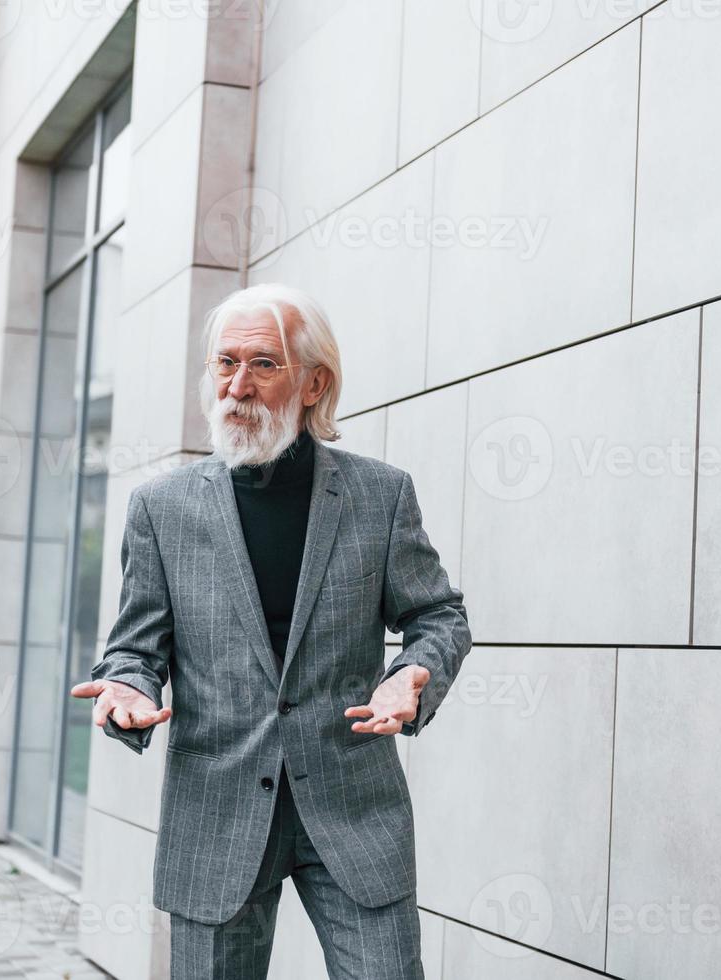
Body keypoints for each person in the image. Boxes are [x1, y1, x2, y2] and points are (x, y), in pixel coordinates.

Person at [71, 282, 471, 979]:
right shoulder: (159, 508)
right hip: (216, 810)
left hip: (352, 807)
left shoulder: (381, 495)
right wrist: (127, 690)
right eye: (224, 364)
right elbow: (135, 645)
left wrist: (414, 675)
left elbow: (436, 615)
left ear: (314, 382)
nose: (238, 385)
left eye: (263, 364)